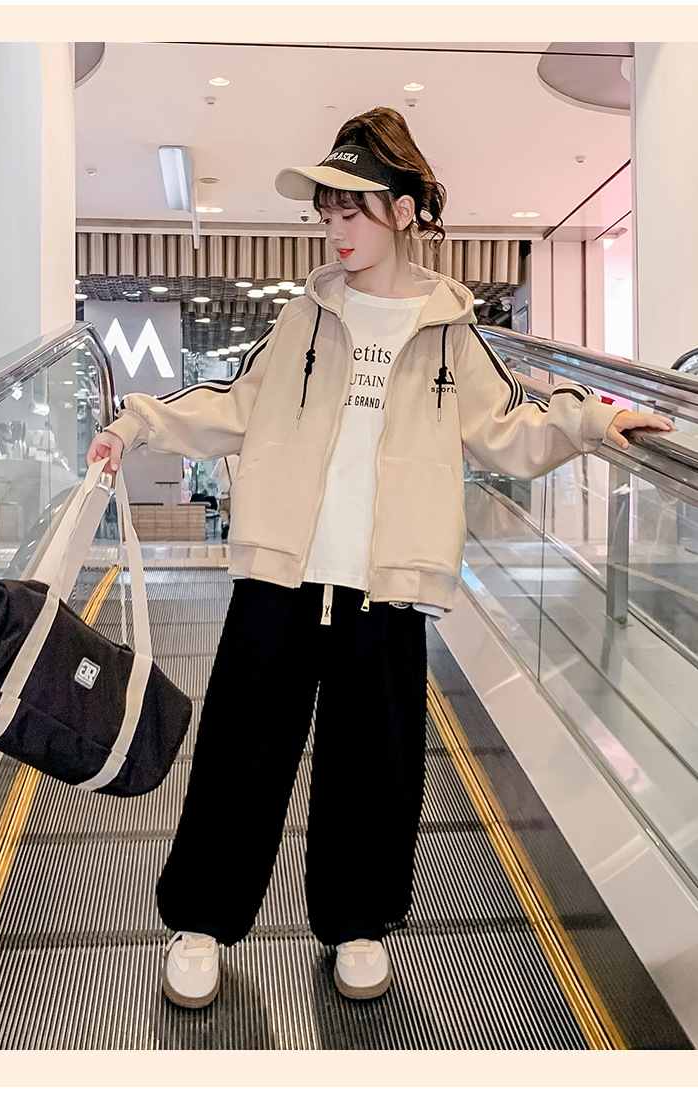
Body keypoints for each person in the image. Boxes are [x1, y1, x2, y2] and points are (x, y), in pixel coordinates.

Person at [87, 106, 674, 1009]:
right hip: (280, 576)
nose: (336, 228)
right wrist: (135, 424)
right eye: (327, 211)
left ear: (402, 211)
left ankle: (357, 925)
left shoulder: (449, 329)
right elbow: (234, 403)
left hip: (386, 585)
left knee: (374, 764)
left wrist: (597, 420)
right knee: (242, 752)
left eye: (353, 209)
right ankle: (201, 922)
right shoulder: (305, 317)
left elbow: (508, 427)